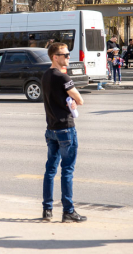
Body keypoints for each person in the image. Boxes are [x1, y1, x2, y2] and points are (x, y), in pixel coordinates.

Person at [41, 42, 86, 223]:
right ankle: (68, 211)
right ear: (55, 57)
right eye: (65, 55)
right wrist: (73, 100)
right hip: (66, 129)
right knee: (67, 170)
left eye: (68, 54)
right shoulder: (62, 77)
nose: (68, 57)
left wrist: (68, 100)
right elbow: (80, 100)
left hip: (51, 129)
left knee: (50, 170)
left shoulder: (45, 76)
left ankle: (47, 210)